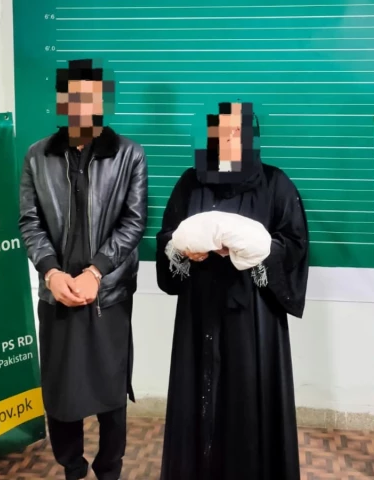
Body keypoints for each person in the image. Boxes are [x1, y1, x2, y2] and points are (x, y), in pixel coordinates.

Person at [156, 102, 309, 480]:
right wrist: (181, 250)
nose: (229, 138)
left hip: (254, 317)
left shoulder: (275, 183)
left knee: (250, 402)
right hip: (199, 311)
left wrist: (258, 251)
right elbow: (167, 237)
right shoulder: (190, 182)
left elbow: (295, 244)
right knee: (197, 400)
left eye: (238, 131)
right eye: (222, 131)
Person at [19, 59, 148, 480]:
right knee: (61, 393)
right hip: (57, 294)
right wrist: (52, 274)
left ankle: (109, 469)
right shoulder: (37, 155)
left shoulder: (129, 154)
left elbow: (134, 222)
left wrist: (96, 273)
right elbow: (30, 222)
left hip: (107, 294)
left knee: (110, 390)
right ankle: (72, 469)